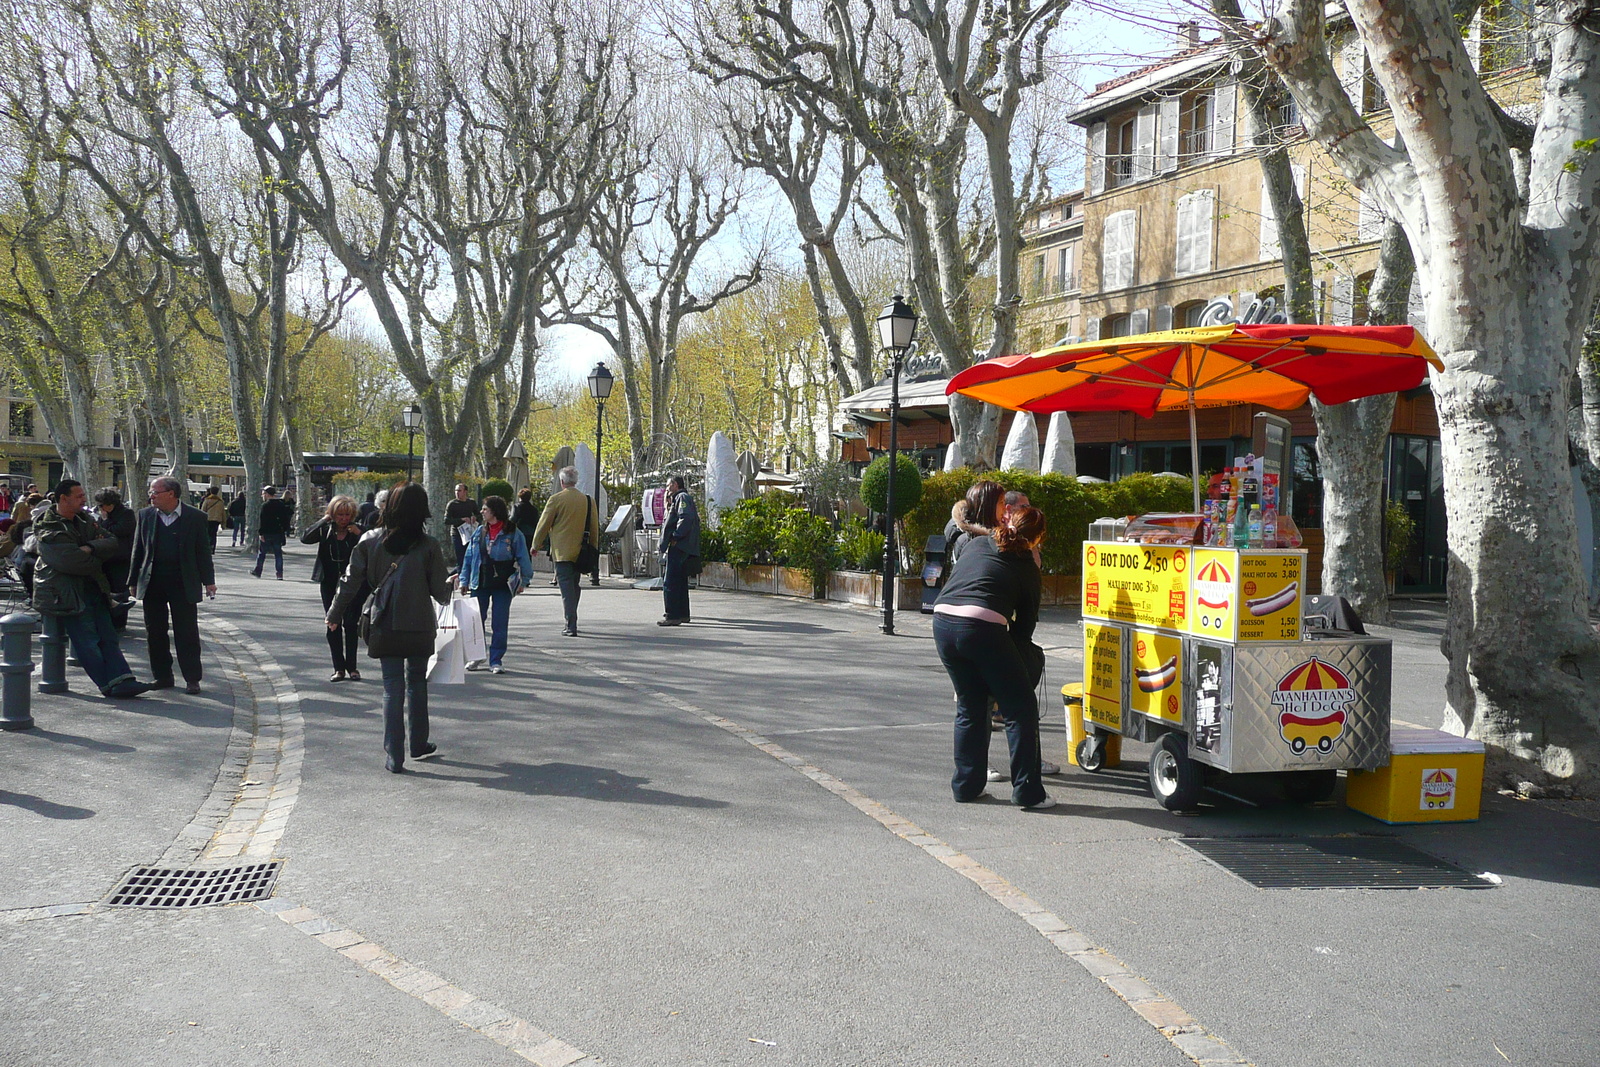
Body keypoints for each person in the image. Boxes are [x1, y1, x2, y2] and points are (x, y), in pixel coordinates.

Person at [932, 506, 1053, 810]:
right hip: (982, 625)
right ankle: (1028, 792)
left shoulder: (976, 544)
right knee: (1020, 708)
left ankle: (966, 786)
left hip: (943, 621)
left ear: (1009, 522)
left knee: (970, 704)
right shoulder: (1026, 565)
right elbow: (1025, 629)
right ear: (1037, 539)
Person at [327, 483, 450, 774]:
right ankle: (419, 743)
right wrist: (450, 582)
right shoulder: (429, 545)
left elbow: (350, 581)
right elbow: (440, 593)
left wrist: (334, 613)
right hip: (419, 623)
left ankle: (394, 755)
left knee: (391, 687)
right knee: (417, 683)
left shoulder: (369, 540)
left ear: (388, 507)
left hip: (383, 621)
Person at [30, 480, 151, 698]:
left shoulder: (84, 519)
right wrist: (97, 559)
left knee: (108, 636)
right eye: (78, 496)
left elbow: (112, 541)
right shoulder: (48, 525)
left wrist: (90, 547)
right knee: (87, 640)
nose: (84, 499)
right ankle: (108, 684)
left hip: (94, 586)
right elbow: (69, 561)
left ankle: (123, 679)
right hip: (65, 592)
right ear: (63, 499)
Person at [128, 475, 216, 694]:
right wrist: (132, 580)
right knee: (155, 632)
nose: (151, 496)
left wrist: (209, 581)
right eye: (151, 492)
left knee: (186, 632)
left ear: (171, 494)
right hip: (153, 581)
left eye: (155, 492)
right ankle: (162, 676)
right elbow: (138, 550)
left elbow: (202, 551)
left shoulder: (195, 517)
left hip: (183, 581)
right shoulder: (146, 516)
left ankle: (192, 678)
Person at [455, 495, 534, 673]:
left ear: (494, 512)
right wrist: (464, 580)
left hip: (503, 582)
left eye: (485, 509)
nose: (482, 512)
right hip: (480, 580)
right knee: (475, 621)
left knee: (499, 622)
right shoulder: (480, 531)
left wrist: (524, 580)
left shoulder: (513, 532)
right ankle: (476, 656)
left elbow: (523, 557)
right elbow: (469, 557)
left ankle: (496, 659)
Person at [302, 495, 366, 682]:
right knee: (333, 624)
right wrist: (324, 520)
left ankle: (352, 667)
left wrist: (359, 532)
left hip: (353, 584)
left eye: (347, 515)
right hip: (329, 582)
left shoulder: (357, 531)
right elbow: (305, 538)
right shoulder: (325, 531)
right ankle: (339, 668)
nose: (343, 519)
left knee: (351, 624)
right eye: (339, 515)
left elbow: (375, 543)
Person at [530, 466, 600, 637]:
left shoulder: (556, 499)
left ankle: (571, 623)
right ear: (575, 481)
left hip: (562, 552)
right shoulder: (588, 500)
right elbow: (594, 527)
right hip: (581, 551)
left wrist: (535, 545)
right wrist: (594, 547)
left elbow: (543, 524)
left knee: (566, 588)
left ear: (562, 482)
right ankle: (572, 618)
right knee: (574, 586)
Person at [657, 476, 700, 626]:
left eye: (668, 485)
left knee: (670, 581)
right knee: (680, 582)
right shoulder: (678, 499)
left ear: (675, 484)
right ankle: (683, 614)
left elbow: (685, 518)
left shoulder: (682, 498)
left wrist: (675, 536)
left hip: (679, 546)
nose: (667, 489)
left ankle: (672, 615)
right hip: (683, 546)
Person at [94, 488, 137, 631]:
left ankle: (119, 623)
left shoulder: (126, 514)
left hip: (121, 558)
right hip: (106, 558)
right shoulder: (104, 515)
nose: (100, 509)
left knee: (119, 590)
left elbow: (118, 530)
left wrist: (105, 522)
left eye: (101, 505)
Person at [253, 485, 294, 579]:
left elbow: (262, 520)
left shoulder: (265, 506)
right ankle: (279, 573)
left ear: (267, 494)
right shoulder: (280, 504)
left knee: (262, 553)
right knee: (278, 554)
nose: (262, 496)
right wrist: (284, 530)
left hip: (267, 532)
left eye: (263, 494)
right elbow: (285, 519)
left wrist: (261, 533)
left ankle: (258, 571)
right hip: (278, 532)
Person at [445, 483, 478, 568]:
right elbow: (446, 520)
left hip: (469, 533)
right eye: (456, 490)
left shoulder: (471, 502)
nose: (457, 493)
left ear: (465, 491)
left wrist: (475, 517)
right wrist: (461, 520)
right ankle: (459, 577)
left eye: (459, 490)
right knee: (460, 557)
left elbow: (479, 515)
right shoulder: (452, 504)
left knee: (470, 556)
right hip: (457, 533)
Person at [200, 485, 227, 550]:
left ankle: (208, 546)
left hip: (208, 519)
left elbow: (203, 510)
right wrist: (223, 523)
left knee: (208, 534)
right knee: (214, 534)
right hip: (216, 520)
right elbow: (223, 513)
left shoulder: (207, 500)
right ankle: (213, 547)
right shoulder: (220, 502)